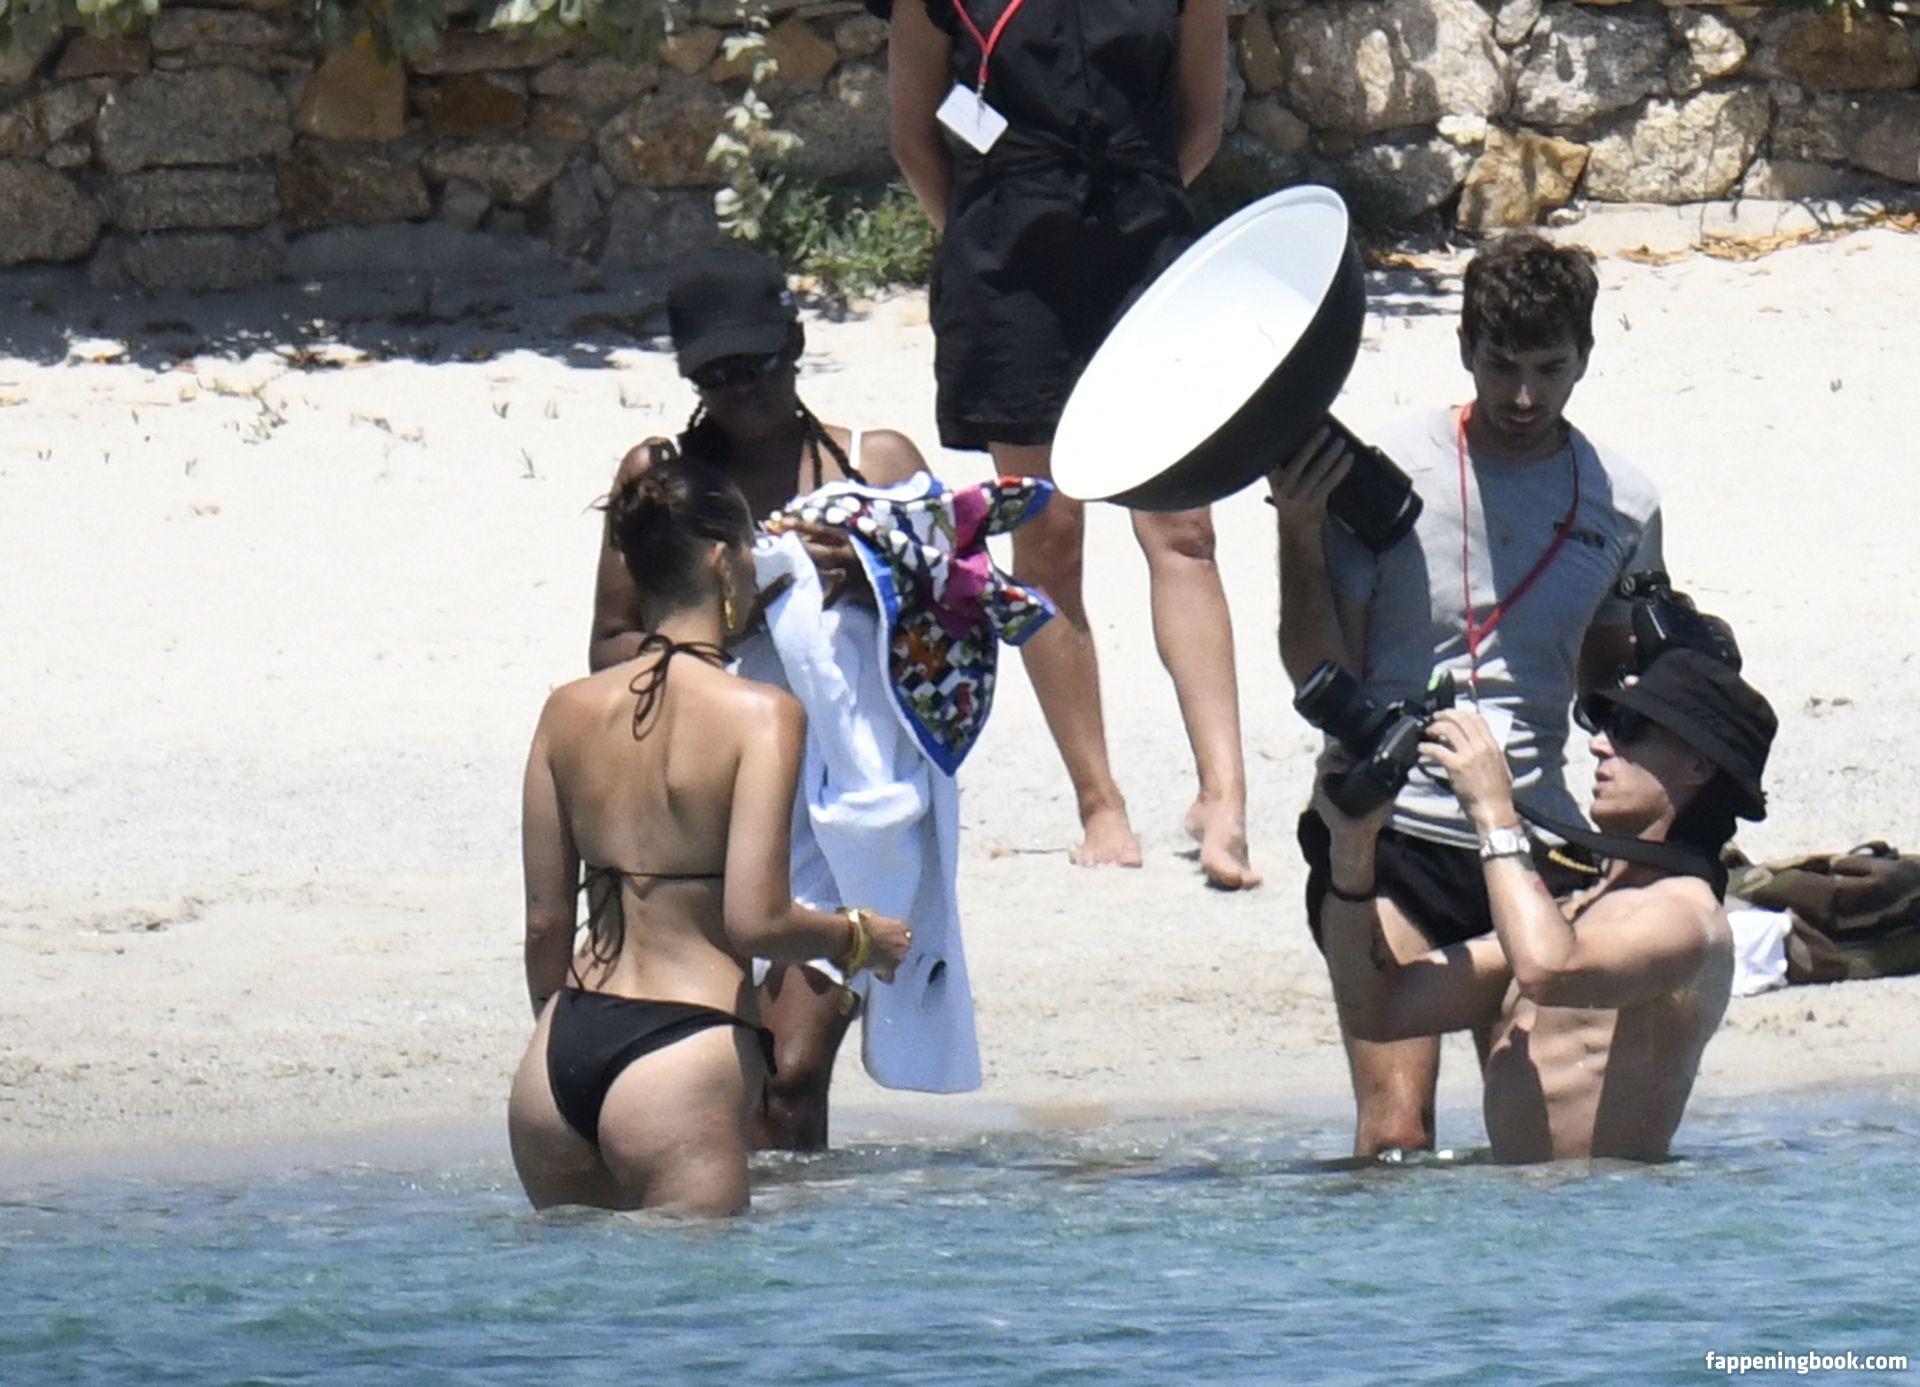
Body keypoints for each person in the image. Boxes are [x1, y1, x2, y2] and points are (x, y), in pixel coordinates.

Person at [1274, 233, 1665, 1155]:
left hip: (1534, 838)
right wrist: (1298, 528)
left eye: (1548, 368)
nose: (1523, 396)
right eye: (1501, 365)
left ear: (1584, 359)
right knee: (1395, 1134)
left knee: (1537, 1146)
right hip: (1397, 834)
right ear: (1464, 350)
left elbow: (1609, 689)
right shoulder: (1387, 475)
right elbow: (1317, 672)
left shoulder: (1625, 504)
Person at [884, 0, 1259, 889]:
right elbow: (913, 137)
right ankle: (1100, 801)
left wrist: (1136, 200)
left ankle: (1225, 799)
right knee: (1048, 536)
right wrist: (981, 231)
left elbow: (1200, 120)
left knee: (1184, 529)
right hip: (1010, 267)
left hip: (1145, 244)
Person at [588, 245, 932, 1152]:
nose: (740, 389)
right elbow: (611, 646)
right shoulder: (663, 481)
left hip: (838, 809)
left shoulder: (876, 465)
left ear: (798, 343)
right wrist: (745, 609)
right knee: (717, 1065)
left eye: (758, 365)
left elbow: (961, 630)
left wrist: (871, 587)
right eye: (716, 374)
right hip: (703, 797)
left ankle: (796, 1241)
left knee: (792, 1073)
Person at [511, 456, 911, 1214]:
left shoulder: (565, 711)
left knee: (570, 1293)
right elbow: (756, 919)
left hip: (558, 1057)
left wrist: (558, 1033)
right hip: (683, 1045)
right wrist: (860, 937)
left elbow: (544, 924)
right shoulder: (760, 715)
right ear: (723, 561)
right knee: (701, 1292)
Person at [1316, 648, 1777, 1163]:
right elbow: (1378, 1010)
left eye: (1629, 728)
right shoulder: (1578, 914)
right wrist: (1351, 849)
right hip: (1532, 1207)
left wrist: (1494, 810)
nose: (1599, 745)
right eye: (1602, 725)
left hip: (1609, 1207)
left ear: (1698, 766)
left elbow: (1548, 969)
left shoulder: (1686, 918)